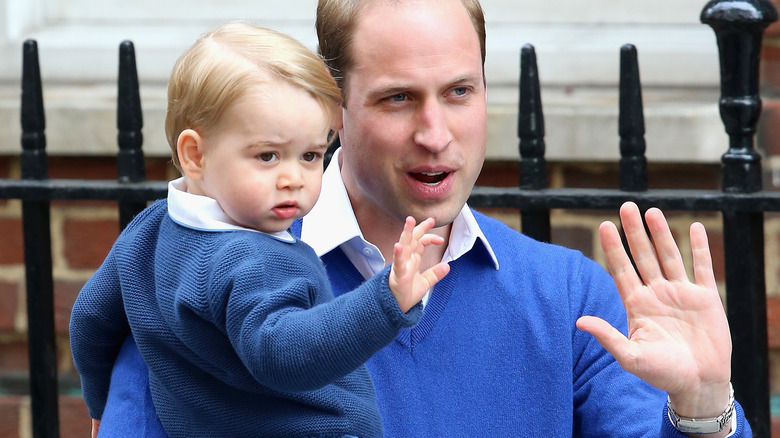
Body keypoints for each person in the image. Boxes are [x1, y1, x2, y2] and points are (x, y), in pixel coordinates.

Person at [87, 0, 751, 436]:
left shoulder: (567, 294)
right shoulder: (197, 278)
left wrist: (702, 406)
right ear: (334, 109)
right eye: (399, 97)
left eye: (459, 91)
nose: (436, 133)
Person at [69, 22, 450, 438]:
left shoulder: (148, 230)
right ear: (195, 155)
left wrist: (99, 404)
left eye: (309, 155)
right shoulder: (254, 261)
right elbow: (283, 354)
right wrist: (386, 300)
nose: (293, 178)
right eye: (268, 156)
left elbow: (90, 318)